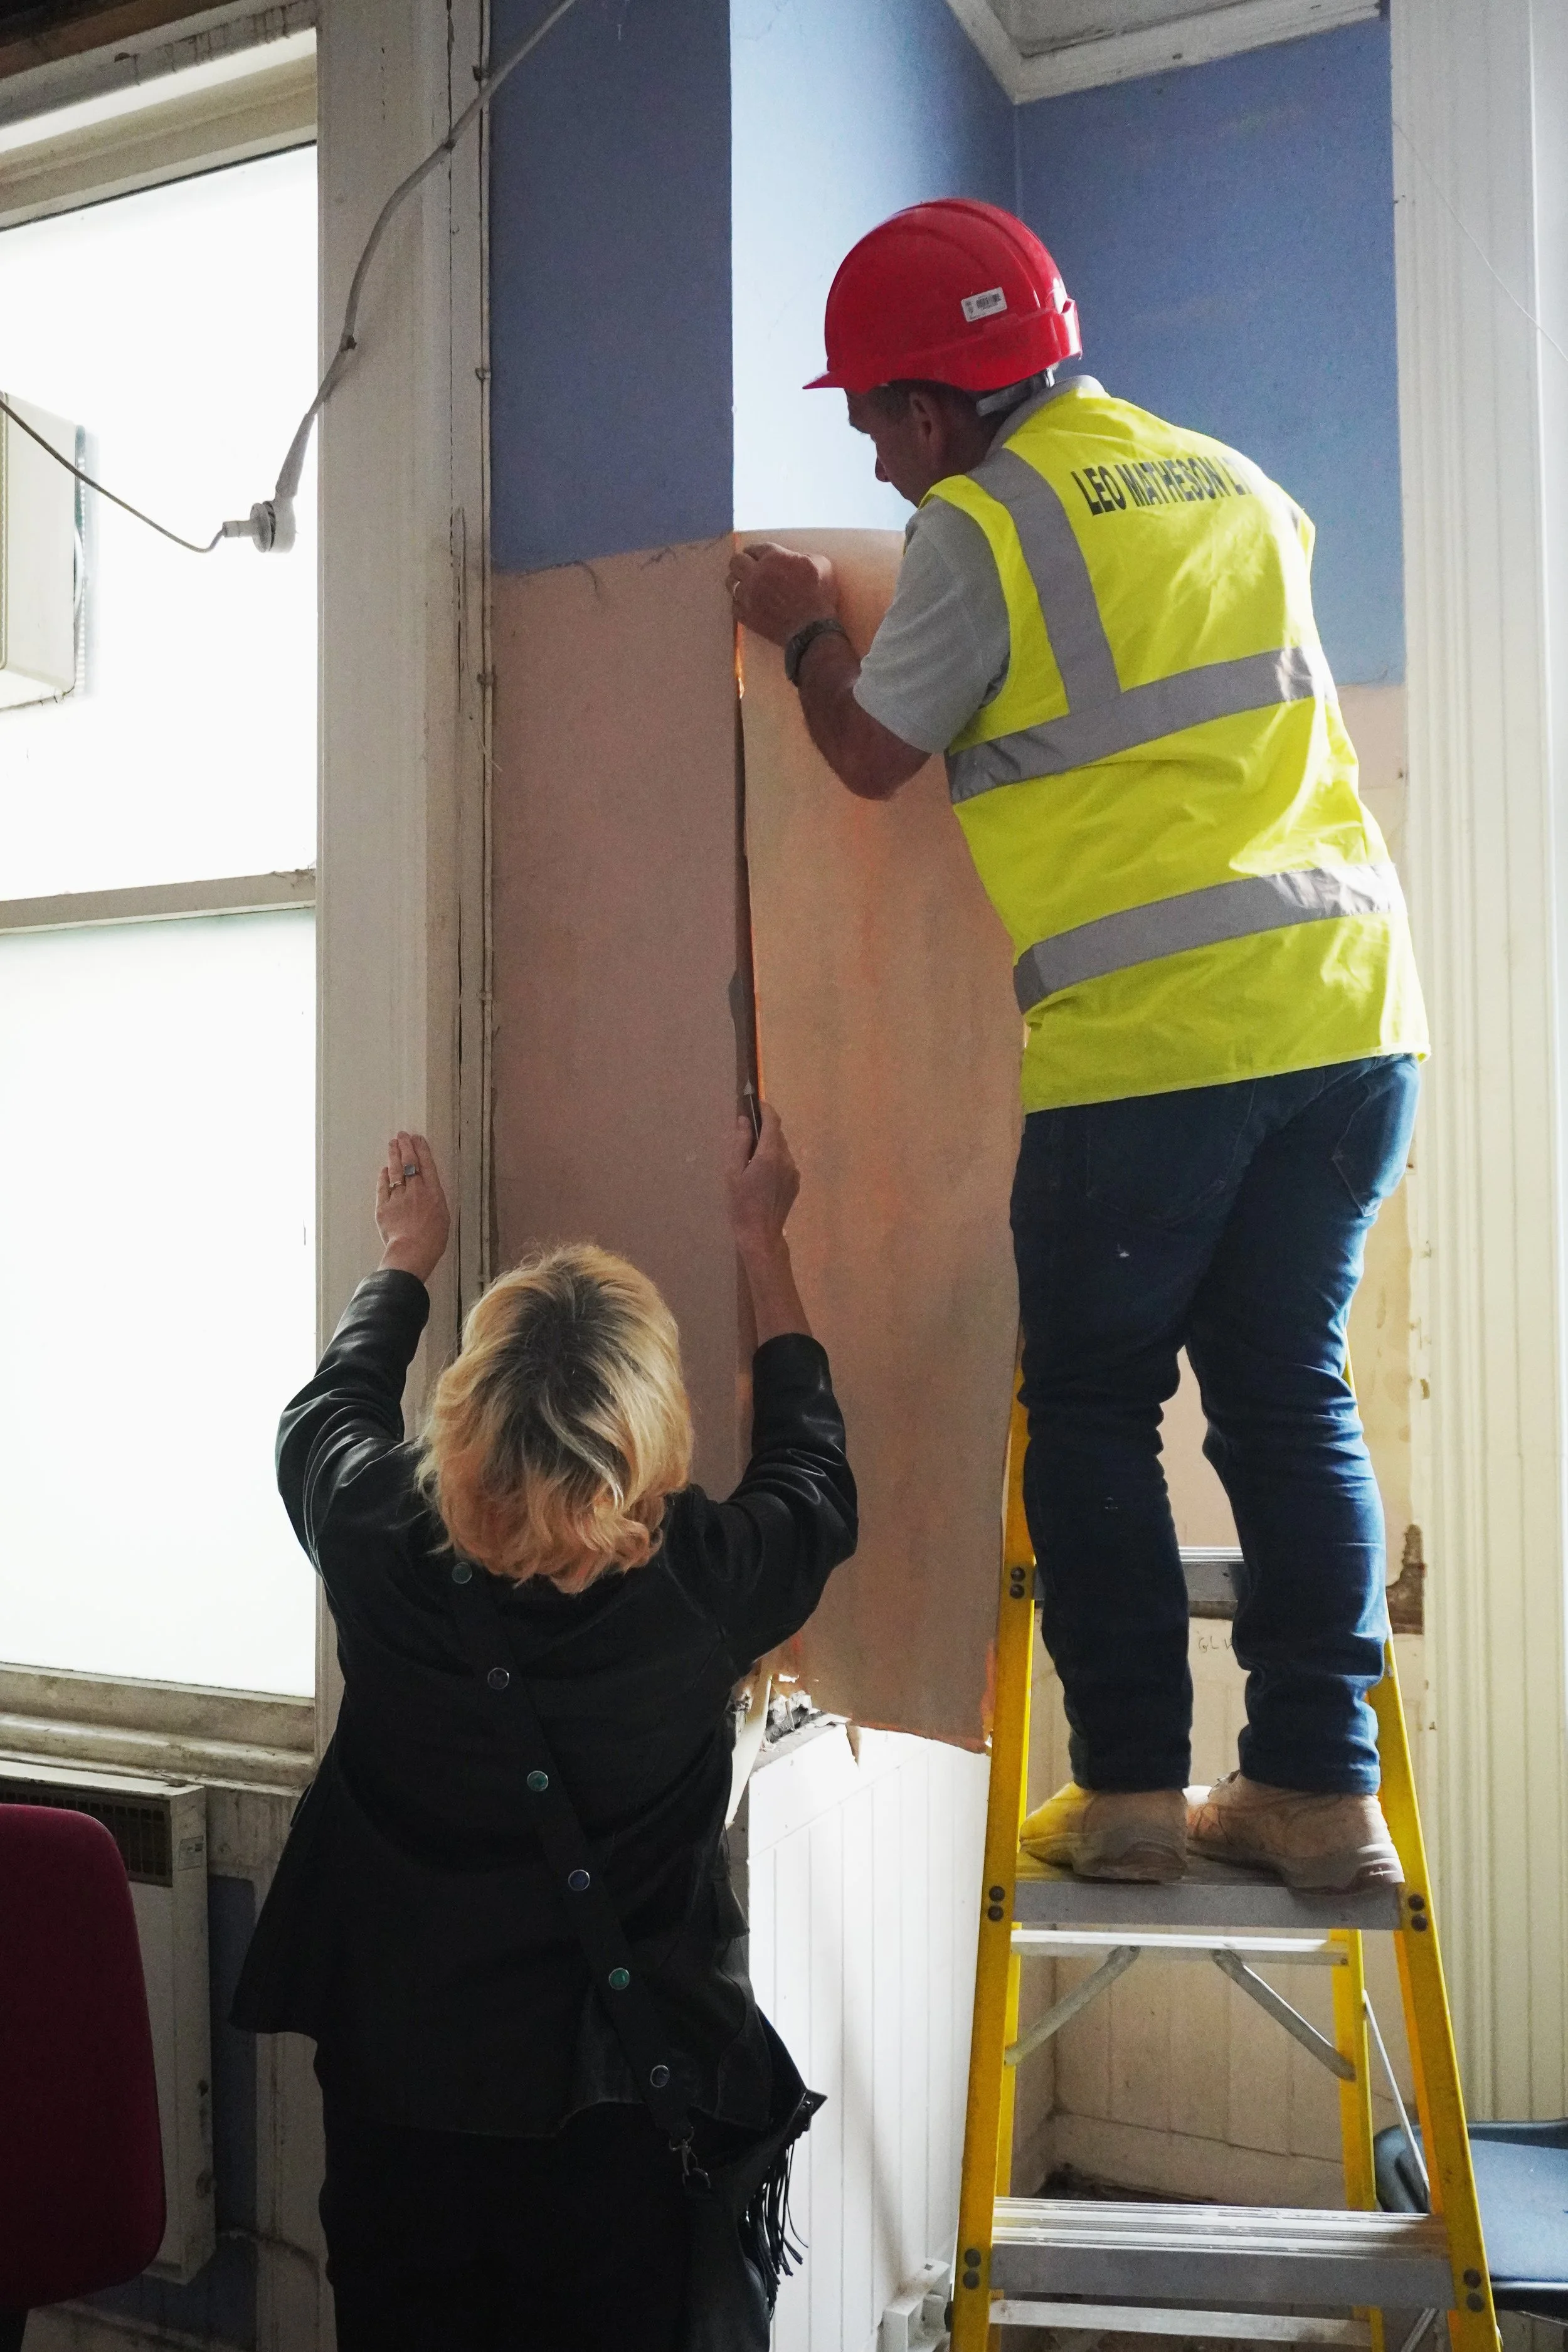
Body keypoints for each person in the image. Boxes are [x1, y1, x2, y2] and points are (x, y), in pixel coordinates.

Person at [727, 198, 1426, 1894]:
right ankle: (1315, 1793)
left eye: (872, 422)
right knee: (1287, 1398)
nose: (881, 467)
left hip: (1155, 1044)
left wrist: (804, 621)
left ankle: (1124, 1786)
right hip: (1348, 1020)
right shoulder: (1229, 478)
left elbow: (874, 752)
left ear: (930, 403)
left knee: (1098, 1403)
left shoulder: (985, 516)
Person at [232, 1108, 856, 2350]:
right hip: (611, 2118)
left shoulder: (372, 1535)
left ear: (463, 1413)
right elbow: (813, 1485)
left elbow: (324, 1414)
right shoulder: (700, 1579)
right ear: (644, 1433)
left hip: (397, 2098)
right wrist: (759, 1241)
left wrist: (407, 1256)